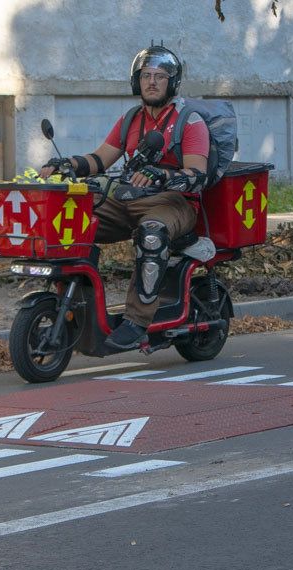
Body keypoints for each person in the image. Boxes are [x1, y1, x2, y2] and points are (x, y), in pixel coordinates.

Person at [39, 45, 211, 350]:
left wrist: (164, 175)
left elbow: (198, 174)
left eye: (160, 76)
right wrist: (68, 164)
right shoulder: (131, 119)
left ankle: (137, 322)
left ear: (172, 83)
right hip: (127, 199)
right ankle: (76, 309)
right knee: (74, 222)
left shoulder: (190, 121)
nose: (152, 82)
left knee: (152, 233)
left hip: (174, 203)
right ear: (137, 81)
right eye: (146, 76)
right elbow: (99, 159)